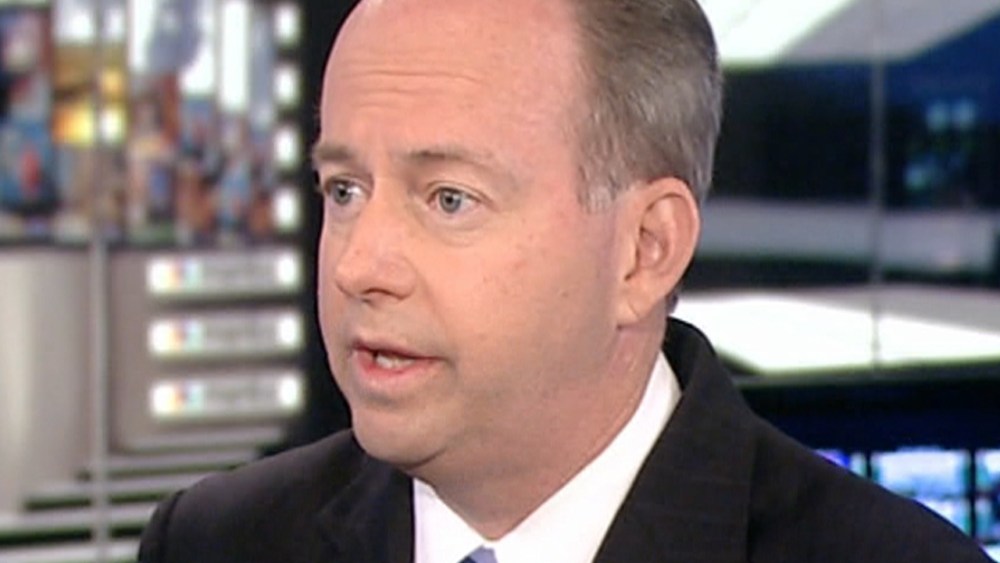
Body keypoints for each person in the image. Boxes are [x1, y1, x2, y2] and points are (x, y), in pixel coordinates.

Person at [138, 0, 993, 561]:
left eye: (449, 199)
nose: (359, 265)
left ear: (645, 250)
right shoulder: (218, 542)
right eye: (344, 190)